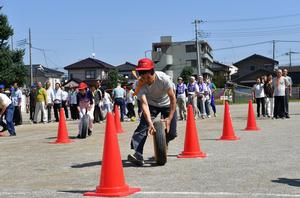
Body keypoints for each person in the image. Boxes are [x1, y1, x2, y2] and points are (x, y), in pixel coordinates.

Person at [127, 58, 177, 166]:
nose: (145, 79)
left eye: (147, 76)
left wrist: (169, 118)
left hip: (167, 104)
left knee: (172, 133)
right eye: (142, 76)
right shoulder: (139, 84)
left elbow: (173, 99)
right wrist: (149, 122)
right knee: (143, 127)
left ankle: (164, 142)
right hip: (151, 105)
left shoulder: (163, 79)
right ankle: (138, 154)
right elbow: (144, 104)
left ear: (152, 72)